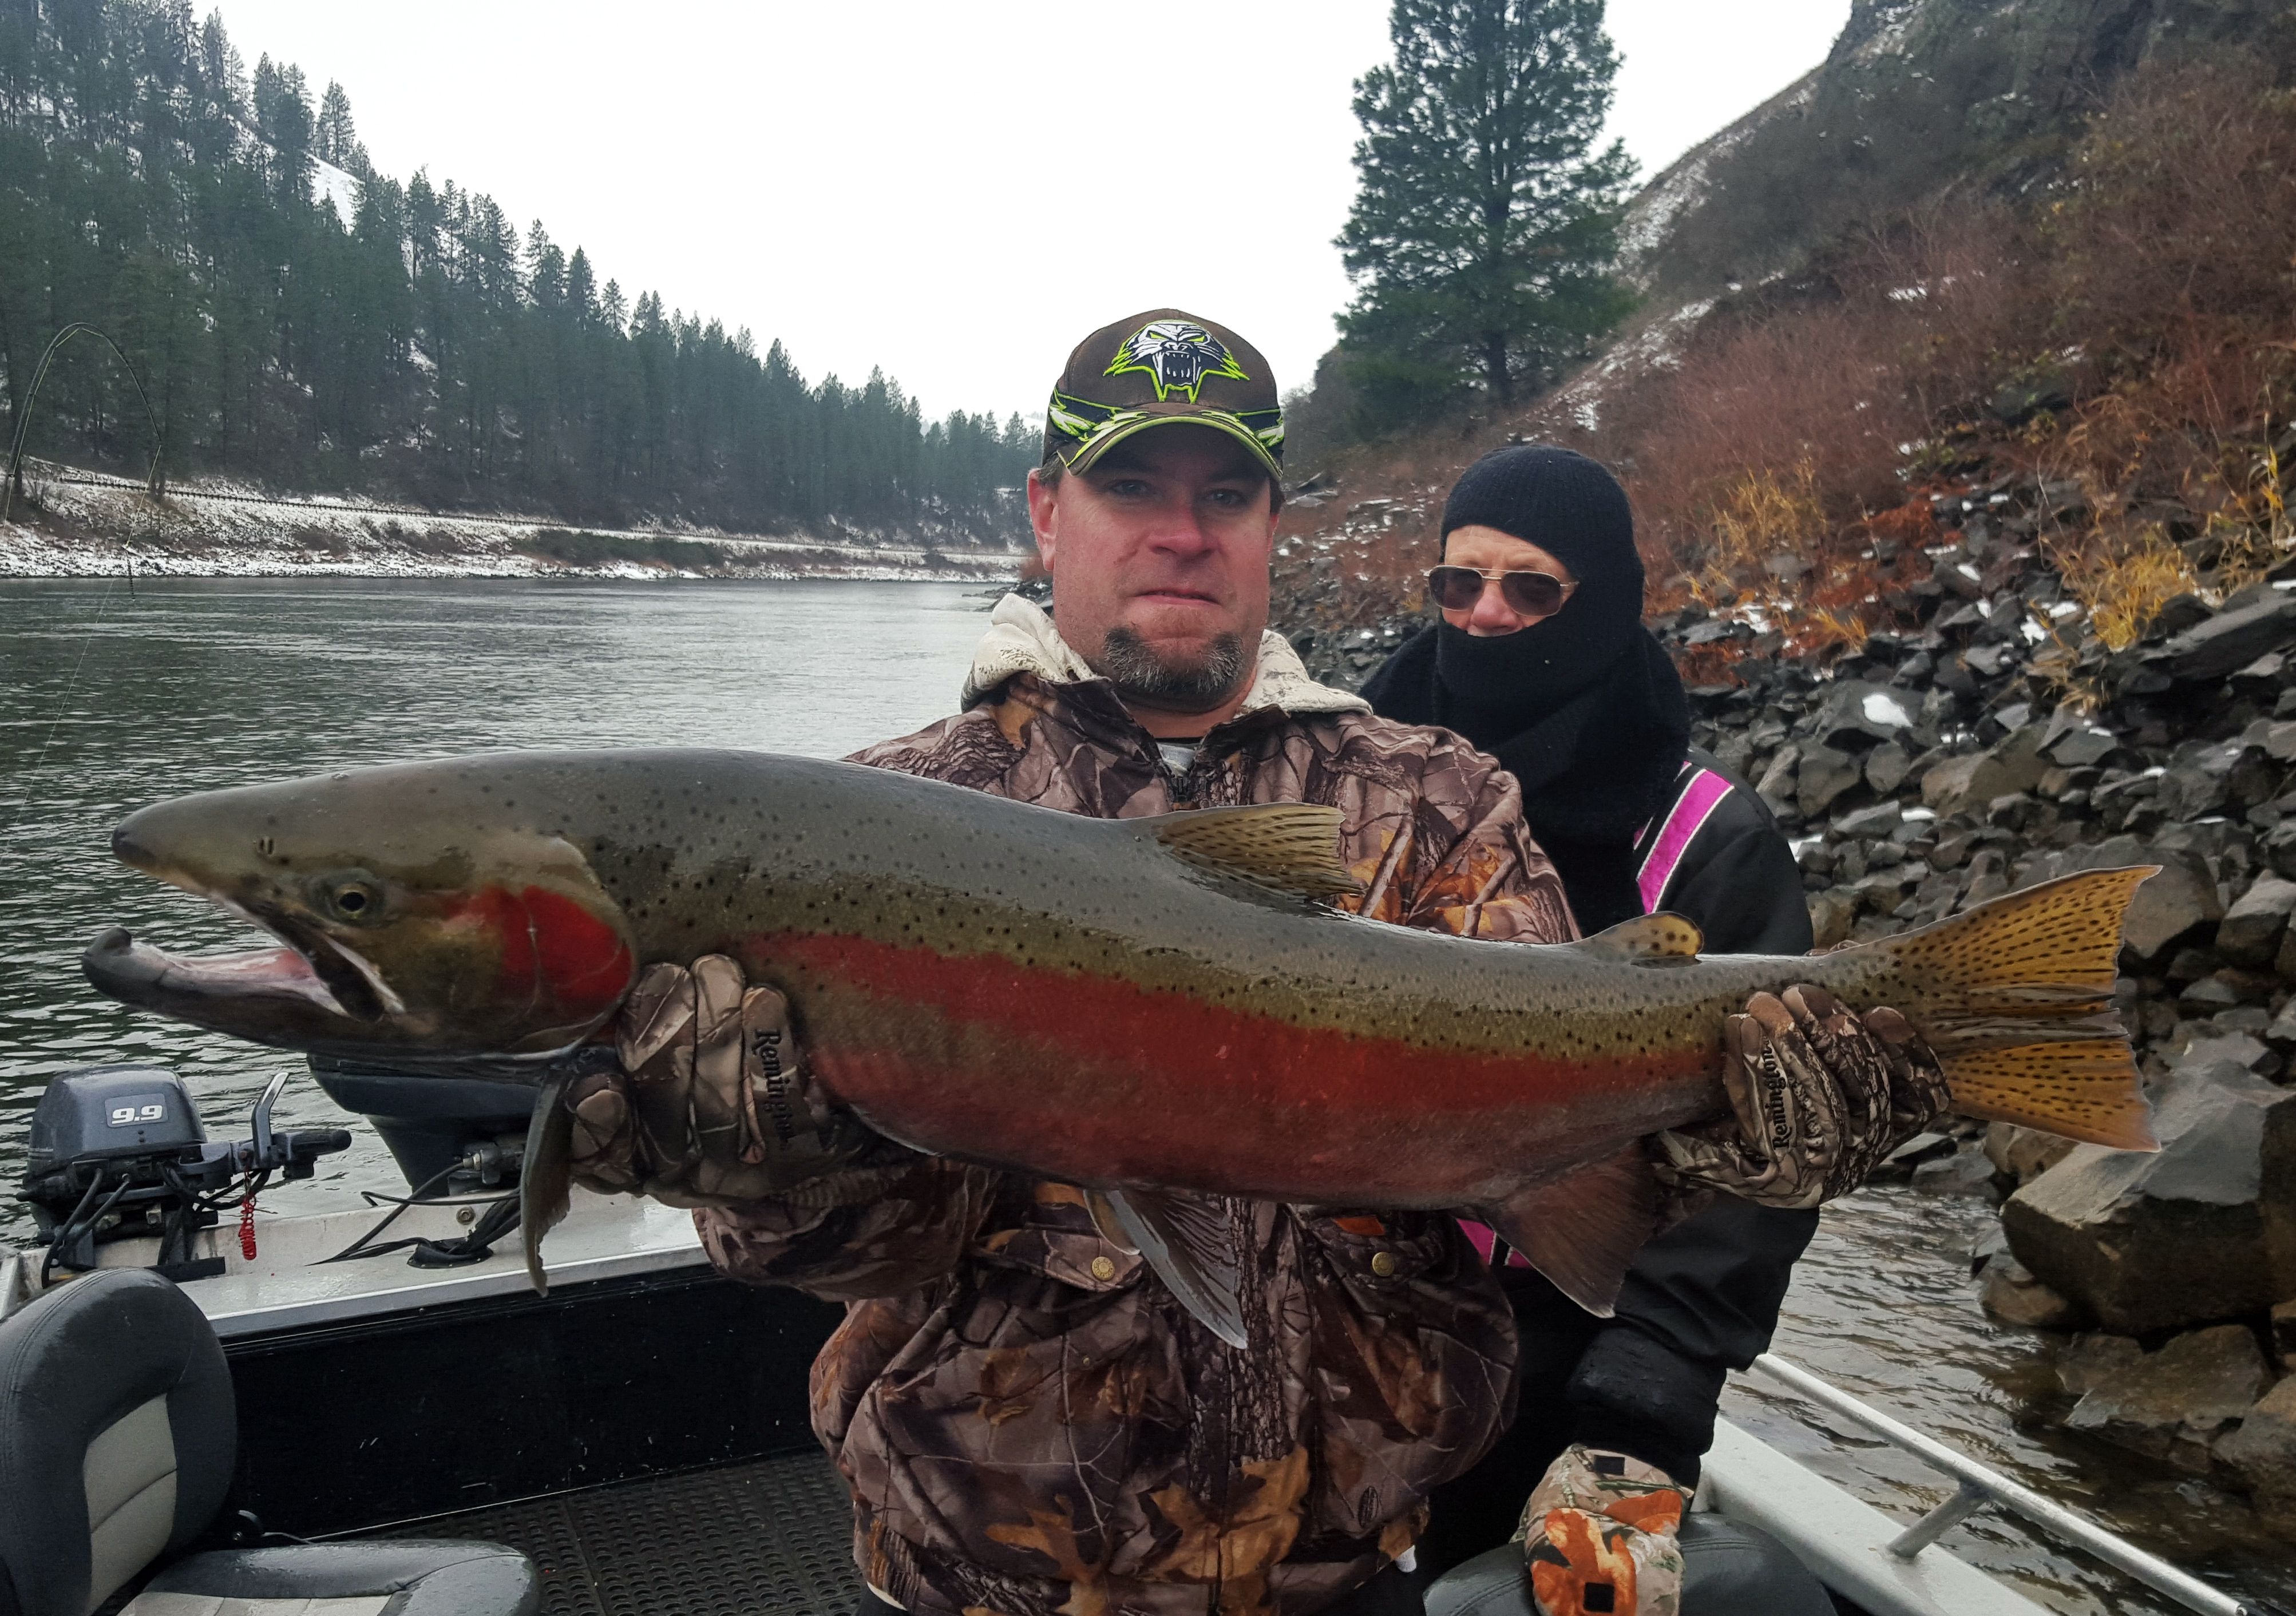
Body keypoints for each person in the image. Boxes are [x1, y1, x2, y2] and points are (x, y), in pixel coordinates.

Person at [561, 317, 1947, 1616]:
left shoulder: (1436, 797)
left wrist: (1743, 1134)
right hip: (976, 1569)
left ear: (1271, 527)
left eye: (1224, 496)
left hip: (1348, 1560)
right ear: (1046, 510)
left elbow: (1553, 1129)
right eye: (1131, 490)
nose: (1181, 535)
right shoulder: (887, 811)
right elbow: (828, 1254)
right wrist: (754, 1163)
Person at [1360, 446, 1831, 1613]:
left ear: (1606, 601)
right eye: (1458, 582)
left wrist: (1648, 1394)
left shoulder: (1706, 841)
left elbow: (1765, 1135)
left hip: (1568, 1341)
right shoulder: (1338, 777)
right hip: (1347, 1308)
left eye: (1532, 588)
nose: (1485, 614)